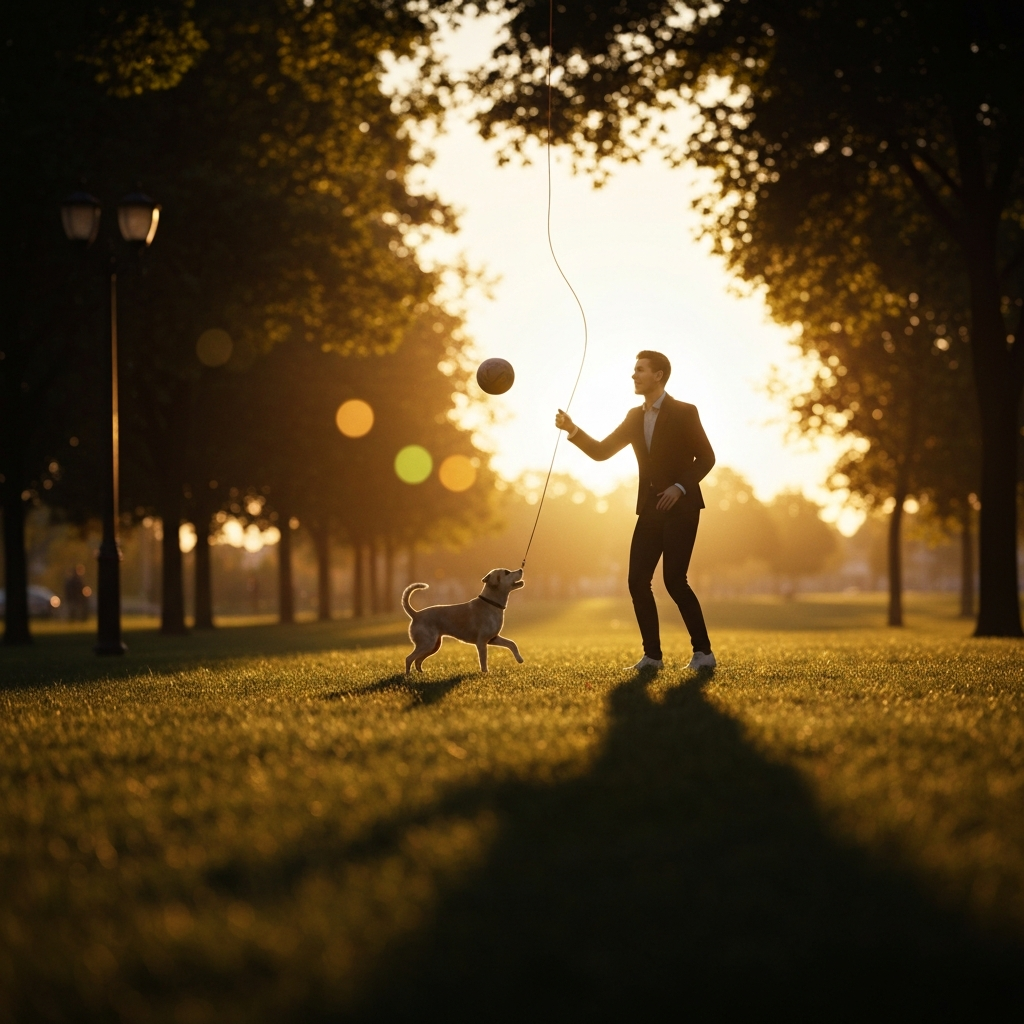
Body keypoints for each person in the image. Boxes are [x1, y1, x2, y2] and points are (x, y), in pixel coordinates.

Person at [555, 350, 717, 671]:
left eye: (640, 370)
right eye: (634, 370)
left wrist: (680, 487)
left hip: (682, 507)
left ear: (658, 375)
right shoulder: (634, 416)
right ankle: (653, 657)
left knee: (674, 581)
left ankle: (703, 653)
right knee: (636, 581)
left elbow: (707, 458)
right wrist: (572, 430)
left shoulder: (685, 412)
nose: (634, 375)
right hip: (650, 509)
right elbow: (601, 452)